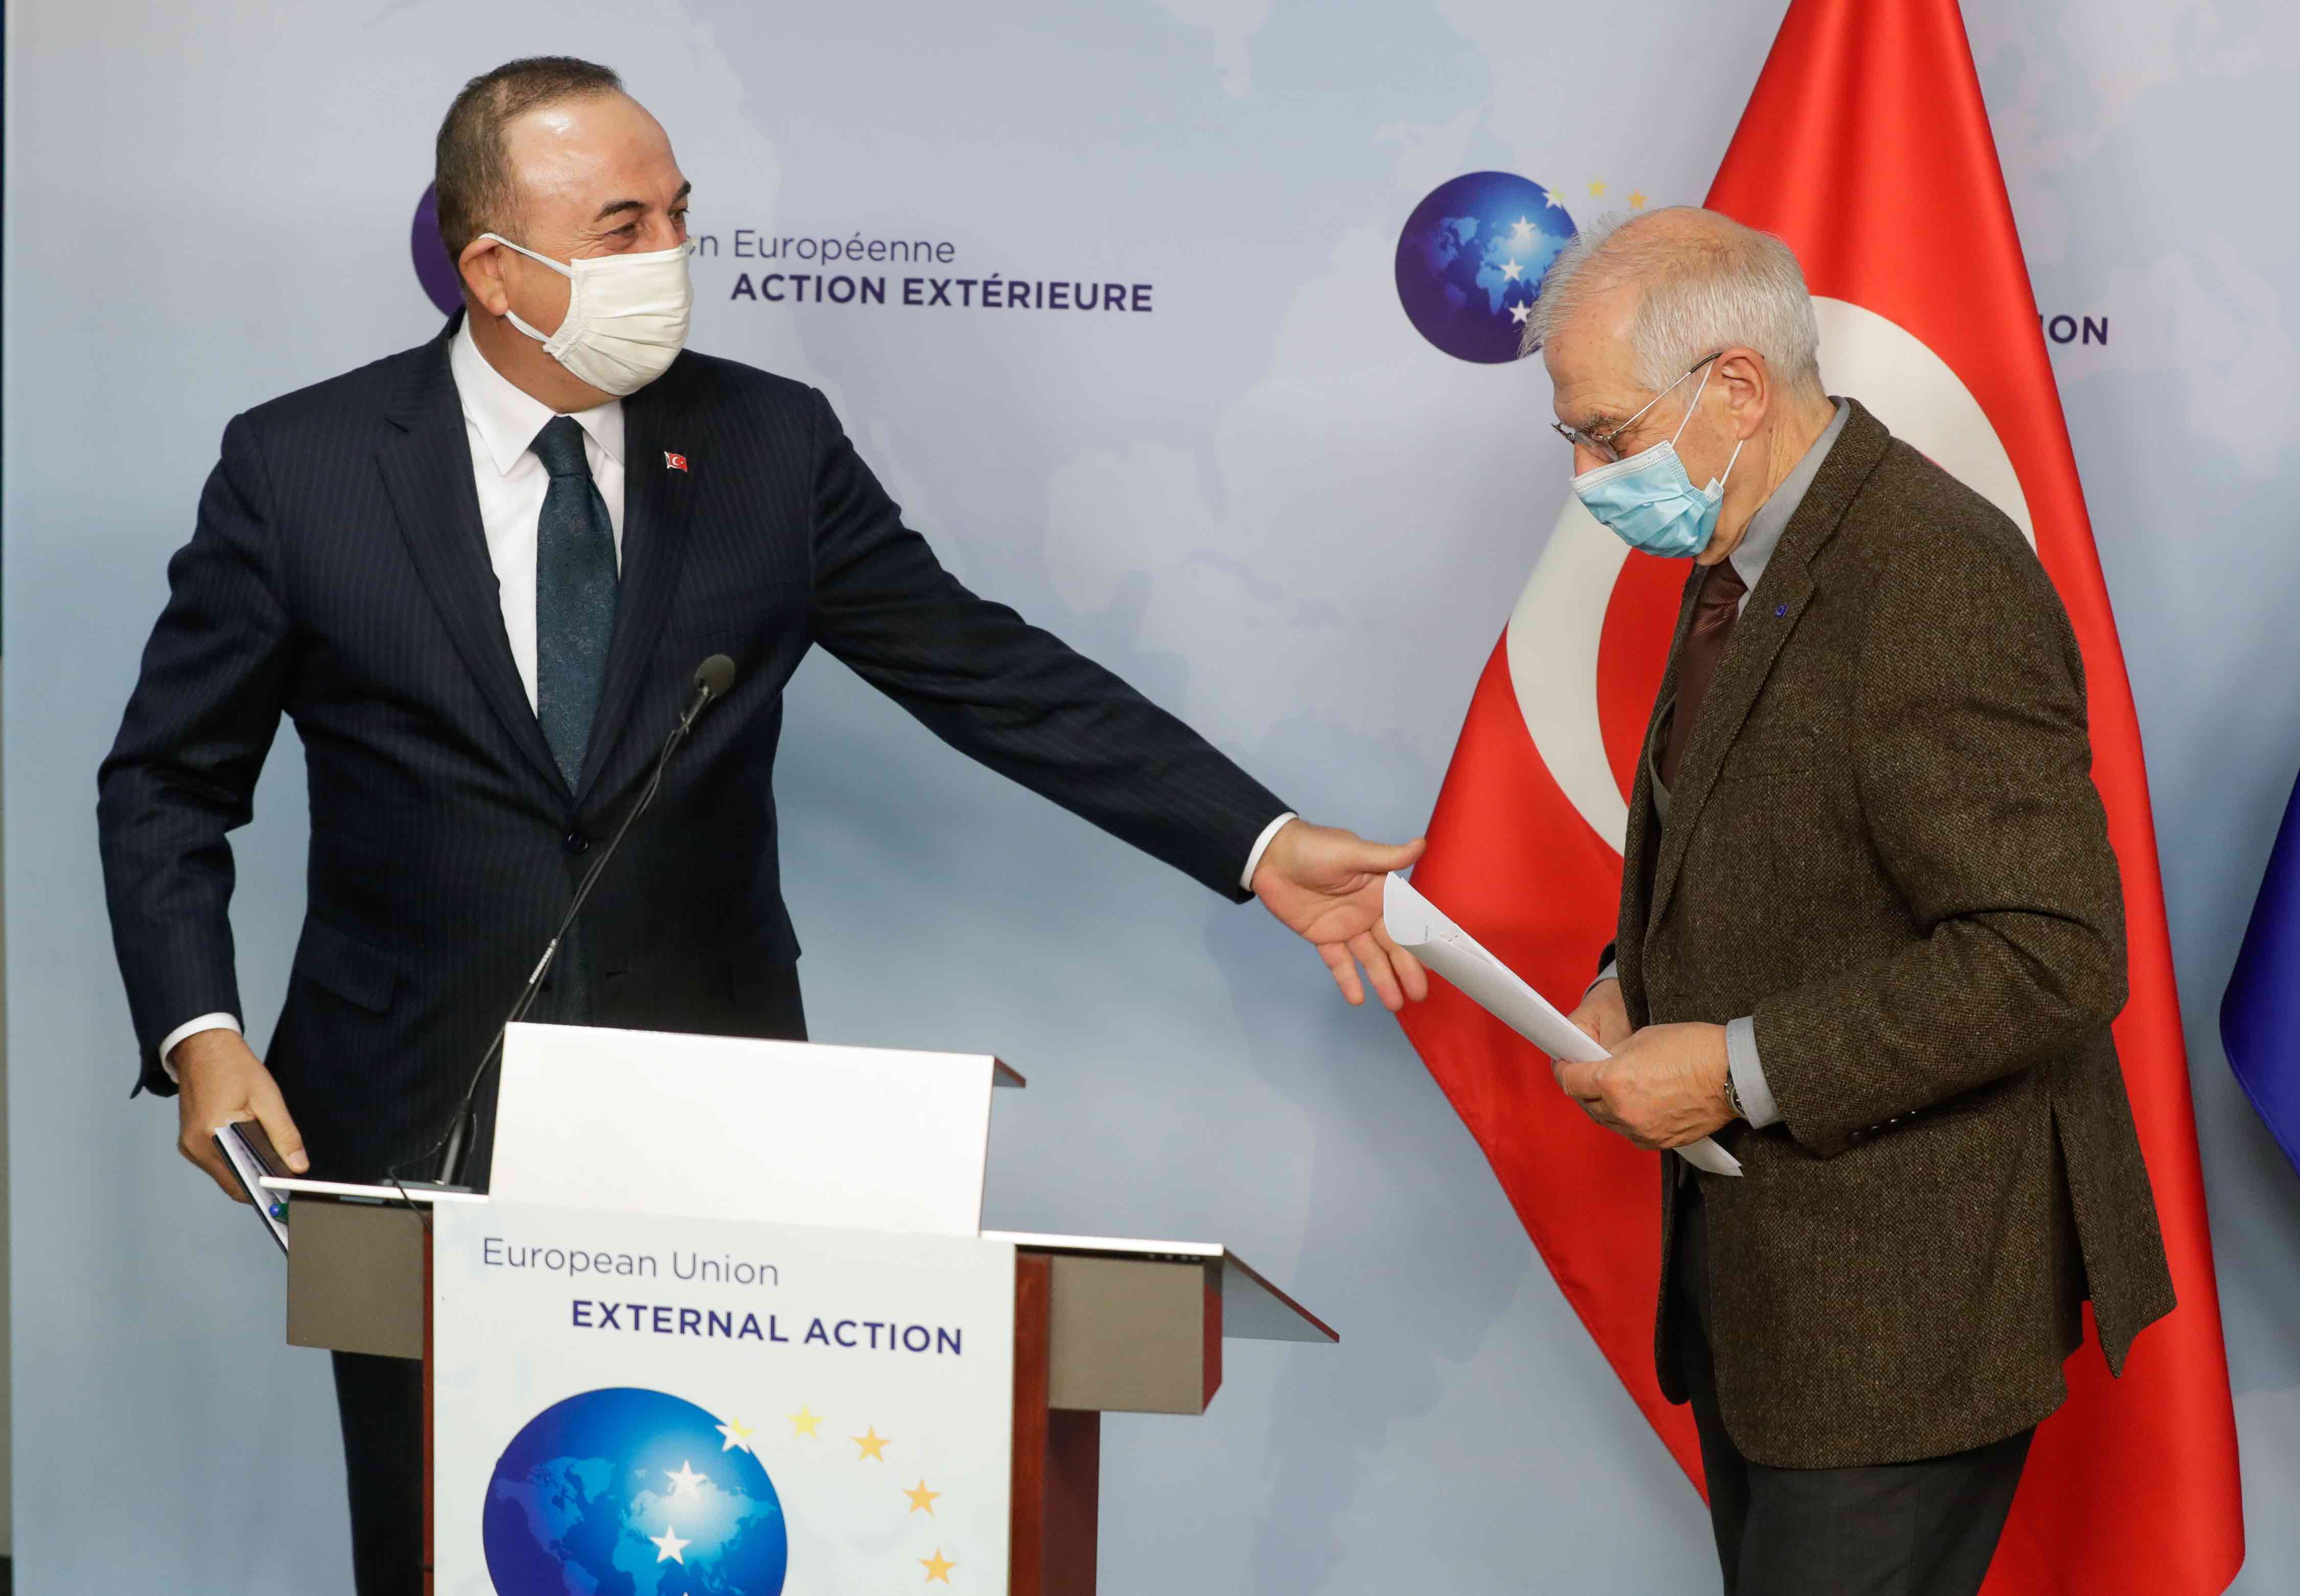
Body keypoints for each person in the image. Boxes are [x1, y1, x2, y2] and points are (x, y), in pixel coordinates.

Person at [96, 56, 1427, 1592]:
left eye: (679, 213)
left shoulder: (768, 445)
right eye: (621, 226)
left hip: (712, 1109)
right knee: (445, 1538)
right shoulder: (301, 466)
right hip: (403, 1110)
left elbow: (986, 670)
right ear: (493, 269)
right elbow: (168, 780)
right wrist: (200, 1034)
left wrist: (1257, 842)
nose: (669, 254)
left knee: (707, 1540)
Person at [1531, 209, 2173, 1596]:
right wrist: (1631, 973)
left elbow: (2051, 952)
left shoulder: (1932, 571)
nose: (1587, 477)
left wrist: (1733, 1068)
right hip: (1771, 1294)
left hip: (1902, 1310)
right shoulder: (1745, 550)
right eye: (1571, 437)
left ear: (1737, 386)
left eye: (1606, 433)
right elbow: (1761, 841)